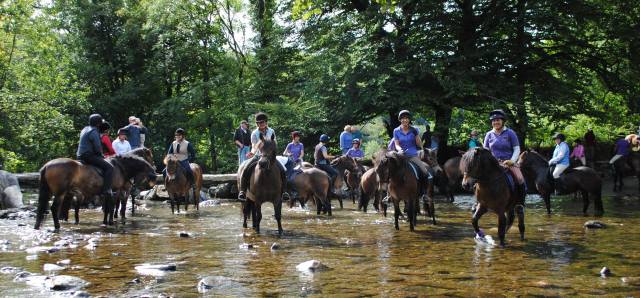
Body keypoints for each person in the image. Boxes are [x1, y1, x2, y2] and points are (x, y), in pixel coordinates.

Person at [237, 112, 289, 202]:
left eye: (262, 122)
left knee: (283, 170)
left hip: (270, 156)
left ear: (266, 122)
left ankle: (284, 192)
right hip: (258, 155)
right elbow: (253, 145)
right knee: (245, 169)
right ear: (257, 124)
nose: (261, 124)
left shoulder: (271, 131)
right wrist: (252, 152)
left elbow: (274, 143)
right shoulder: (254, 133)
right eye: (259, 123)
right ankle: (242, 191)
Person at [387, 110, 431, 203]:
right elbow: (397, 144)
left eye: (406, 118)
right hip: (400, 155)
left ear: (409, 120)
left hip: (412, 155)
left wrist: (416, 134)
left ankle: (424, 194)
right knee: (389, 171)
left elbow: (419, 144)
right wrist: (399, 150)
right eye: (403, 119)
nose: (405, 120)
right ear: (400, 120)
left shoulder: (414, 129)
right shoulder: (396, 130)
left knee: (425, 171)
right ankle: (389, 195)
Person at [483, 109, 525, 197]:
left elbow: (517, 149)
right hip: (493, 163)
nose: (495, 122)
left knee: (520, 179)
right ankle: (478, 201)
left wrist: (512, 161)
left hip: (509, 163)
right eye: (493, 121)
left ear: (503, 121)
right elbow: (485, 151)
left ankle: (520, 203)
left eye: (498, 120)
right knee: (478, 177)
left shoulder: (510, 133)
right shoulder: (489, 134)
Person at [77, 114, 113, 198]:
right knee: (109, 168)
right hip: (88, 156)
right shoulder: (94, 131)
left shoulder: (85, 129)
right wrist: (101, 155)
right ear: (98, 124)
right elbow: (97, 147)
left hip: (80, 155)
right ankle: (106, 190)